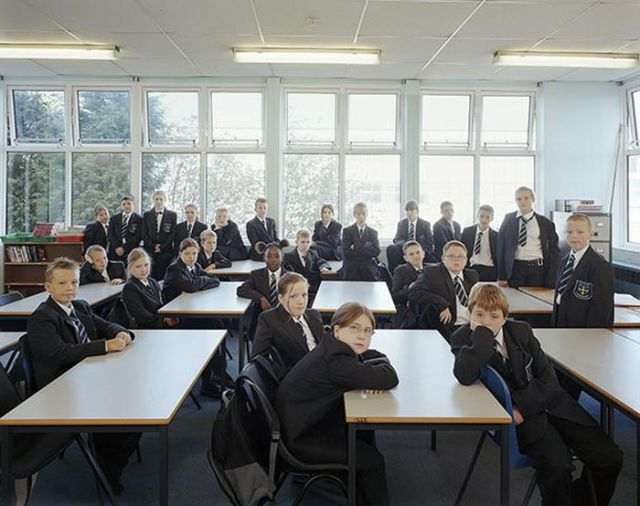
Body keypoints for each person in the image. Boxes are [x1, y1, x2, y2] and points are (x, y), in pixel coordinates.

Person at [451, 284, 622, 506]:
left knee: (609, 457)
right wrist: (482, 336)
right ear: (469, 314)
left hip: (550, 405)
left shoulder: (521, 331)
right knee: (558, 467)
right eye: (479, 315)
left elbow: (550, 379)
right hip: (524, 423)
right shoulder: (462, 337)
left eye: (494, 316)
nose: (486, 321)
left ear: (505, 318)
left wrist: (522, 406)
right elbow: (464, 374)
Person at [27, 258, 137, 493]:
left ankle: (113, 459)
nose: (70, 288)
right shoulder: (43, 317)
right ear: (48, 287)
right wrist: (105, 346)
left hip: (89, 375)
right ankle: (108, 471)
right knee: (123, 416)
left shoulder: (80, 306)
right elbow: (59, 354)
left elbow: (106, 325)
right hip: (63, 387)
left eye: (74, 282)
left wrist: (122, 332)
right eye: (62, 283)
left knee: (136, 403)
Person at [277, 302, 399, 506]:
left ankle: (360, 493)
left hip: (303, 424)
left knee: (364, 433)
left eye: (368, 331)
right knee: (372, 460)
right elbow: (389, 378)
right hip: (302, 440)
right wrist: (380, 366)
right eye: (354, 328)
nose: (362, 336)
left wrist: (375, 364)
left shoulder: (330, 347)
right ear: (337, 330)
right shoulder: (337, 362)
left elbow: (369, 358)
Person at [252, 272, 324, 372]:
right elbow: (258, 358)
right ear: (281, 298)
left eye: (304, 295)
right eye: (293, 296)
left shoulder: (314, 315)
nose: (301, 301)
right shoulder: (269, 320)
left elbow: (325, 347)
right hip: (298, 375)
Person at [408, 240, 479, 340]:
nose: (456, 260)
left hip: (470, 325)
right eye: (451, 256)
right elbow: (414, 292)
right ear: (443, 258)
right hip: (447, 327)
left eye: (461, 256)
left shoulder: (472, 275)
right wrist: (441, 303)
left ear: (466, 259)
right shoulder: (432, 273)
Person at [552, 213, 614, 328]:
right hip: (560, 323)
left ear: (590, 234)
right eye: (569, 232)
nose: (574, 236)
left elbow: (601, 309)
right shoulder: (563, 261)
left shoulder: (600, 266)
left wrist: (590, 334)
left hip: (582, 328)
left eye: (580, 232)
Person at [497, 186, 559, 288]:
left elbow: (554, 251)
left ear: (533, 199)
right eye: (519, 199)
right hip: (515, 269)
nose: (522, 202)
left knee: (534, 297)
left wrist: (552, 276)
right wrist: (501, 275)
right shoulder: (508, 219)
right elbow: (501, 248)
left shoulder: (545, 223)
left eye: (526, 198)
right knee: (515, 297)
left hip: (537, 269)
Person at [122, 248, 177, 330]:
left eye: (146, 265)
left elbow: (160, 305)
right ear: (130, 268)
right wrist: (164, 320)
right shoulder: (130, 288)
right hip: (147, 329)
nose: (143, 270)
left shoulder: (152, 282)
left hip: (159, 322)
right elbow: (142, 317)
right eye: (138, 266)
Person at [162, 238, 220, 304]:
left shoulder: (196, 266)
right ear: (180, 254)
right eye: (187, 254)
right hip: (173, 306)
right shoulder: (174, 269)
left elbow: (216, 280)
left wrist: (197, 284)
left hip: (190, 301)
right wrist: (202, 281)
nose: (191, 257)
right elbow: (190, 287)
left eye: (194, 253)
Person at [387, 200, 435, 273]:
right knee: (391, 248)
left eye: (412, 210)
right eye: (407, 211)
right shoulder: (401, 224)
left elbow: (430, 242)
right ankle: (394, 275)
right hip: (405, 250)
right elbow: (397, 239)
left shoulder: (425, 224)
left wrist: (418, 249)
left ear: (417, 211)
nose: (409, 213)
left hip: (419, 250)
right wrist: (406, 245)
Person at [237, 244, 287, 313]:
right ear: (264, 258)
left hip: (285, 314)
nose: (273, 260)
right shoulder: (256, 275)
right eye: (269, 256)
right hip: (262, 314)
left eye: (277, 256)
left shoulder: (290, 276)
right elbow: (241, 290)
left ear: (282, 258)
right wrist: (261, 298)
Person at [283, 229, 330, 303]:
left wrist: (323, 267)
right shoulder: (288, 257)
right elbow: (288, 274)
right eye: (302, 242)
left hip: (313, 290)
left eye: (308, 242)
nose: (305, 245)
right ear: (296, 242)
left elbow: (321, 261)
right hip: (297, 290)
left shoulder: (313, 253)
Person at [143, 190, 177, 281]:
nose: (158, 202)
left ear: (165, 200)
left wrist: (162, 246)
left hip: (166, 250)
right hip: (150, 249)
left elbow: (172, 233)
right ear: (153, 200)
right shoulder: (147, 215)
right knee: (150, 273)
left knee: (163, 274)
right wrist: (153, 246)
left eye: (161, 199)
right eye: (156, 199)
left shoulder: (172, 215)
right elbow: (144, 233)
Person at [342, 202, 381, 281]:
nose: (361, 216)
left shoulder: (373, 232)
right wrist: (366, 248)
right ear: (354, 215)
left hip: (367, 266)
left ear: (367, 214)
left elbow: (376, 251)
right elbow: (346, 252)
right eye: (358, 214)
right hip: (352, 266)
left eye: (363, 214)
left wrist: (355, 247)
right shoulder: (347, 231)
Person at [390, 240, 424, 328]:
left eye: (418, 252)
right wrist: (409, 288)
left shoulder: (431, 269)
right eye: (411, 254)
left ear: (423, 254)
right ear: (406, 258)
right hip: (410, 310)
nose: (416, 256)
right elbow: (395, 297)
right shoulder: (401, 271)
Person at [461, 205, 498, 282]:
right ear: (477, 216)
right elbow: (462, 250)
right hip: (471, 268)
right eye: (481, 216)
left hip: (489, 270)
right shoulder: (467, 232)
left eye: (487, 217)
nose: (484, 220)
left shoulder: (496, 236)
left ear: (492, 218)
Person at [107, 195, 143, 264]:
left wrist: (124, 248)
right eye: (124, 204)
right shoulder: (114, 219)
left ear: (133, 205)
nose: (126, 206)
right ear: (121, 206)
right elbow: (110, 234)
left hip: (131, 251)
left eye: (129, 204)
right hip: (115, 251)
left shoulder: (139, 220)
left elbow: (138, 236)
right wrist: (117, 247)